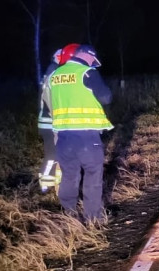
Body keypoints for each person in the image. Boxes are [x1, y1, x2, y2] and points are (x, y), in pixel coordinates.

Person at [49, 44, 113, 223]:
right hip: (86, 137)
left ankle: (69, 214)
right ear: (86, 55)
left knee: (69, 175)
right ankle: (94, 218)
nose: (93, 62)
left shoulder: (55, 76)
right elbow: (106, 97)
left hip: (63, 137)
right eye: (93, 59)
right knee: (93, 175)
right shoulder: (86, 72)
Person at [38, 43, 80, 192]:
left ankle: (55, 183)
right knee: (52, 154)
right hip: (50, 122)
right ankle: (45, 184)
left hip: (53, 122)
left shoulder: (54, 70)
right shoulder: (54, 71)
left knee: (58, 154)